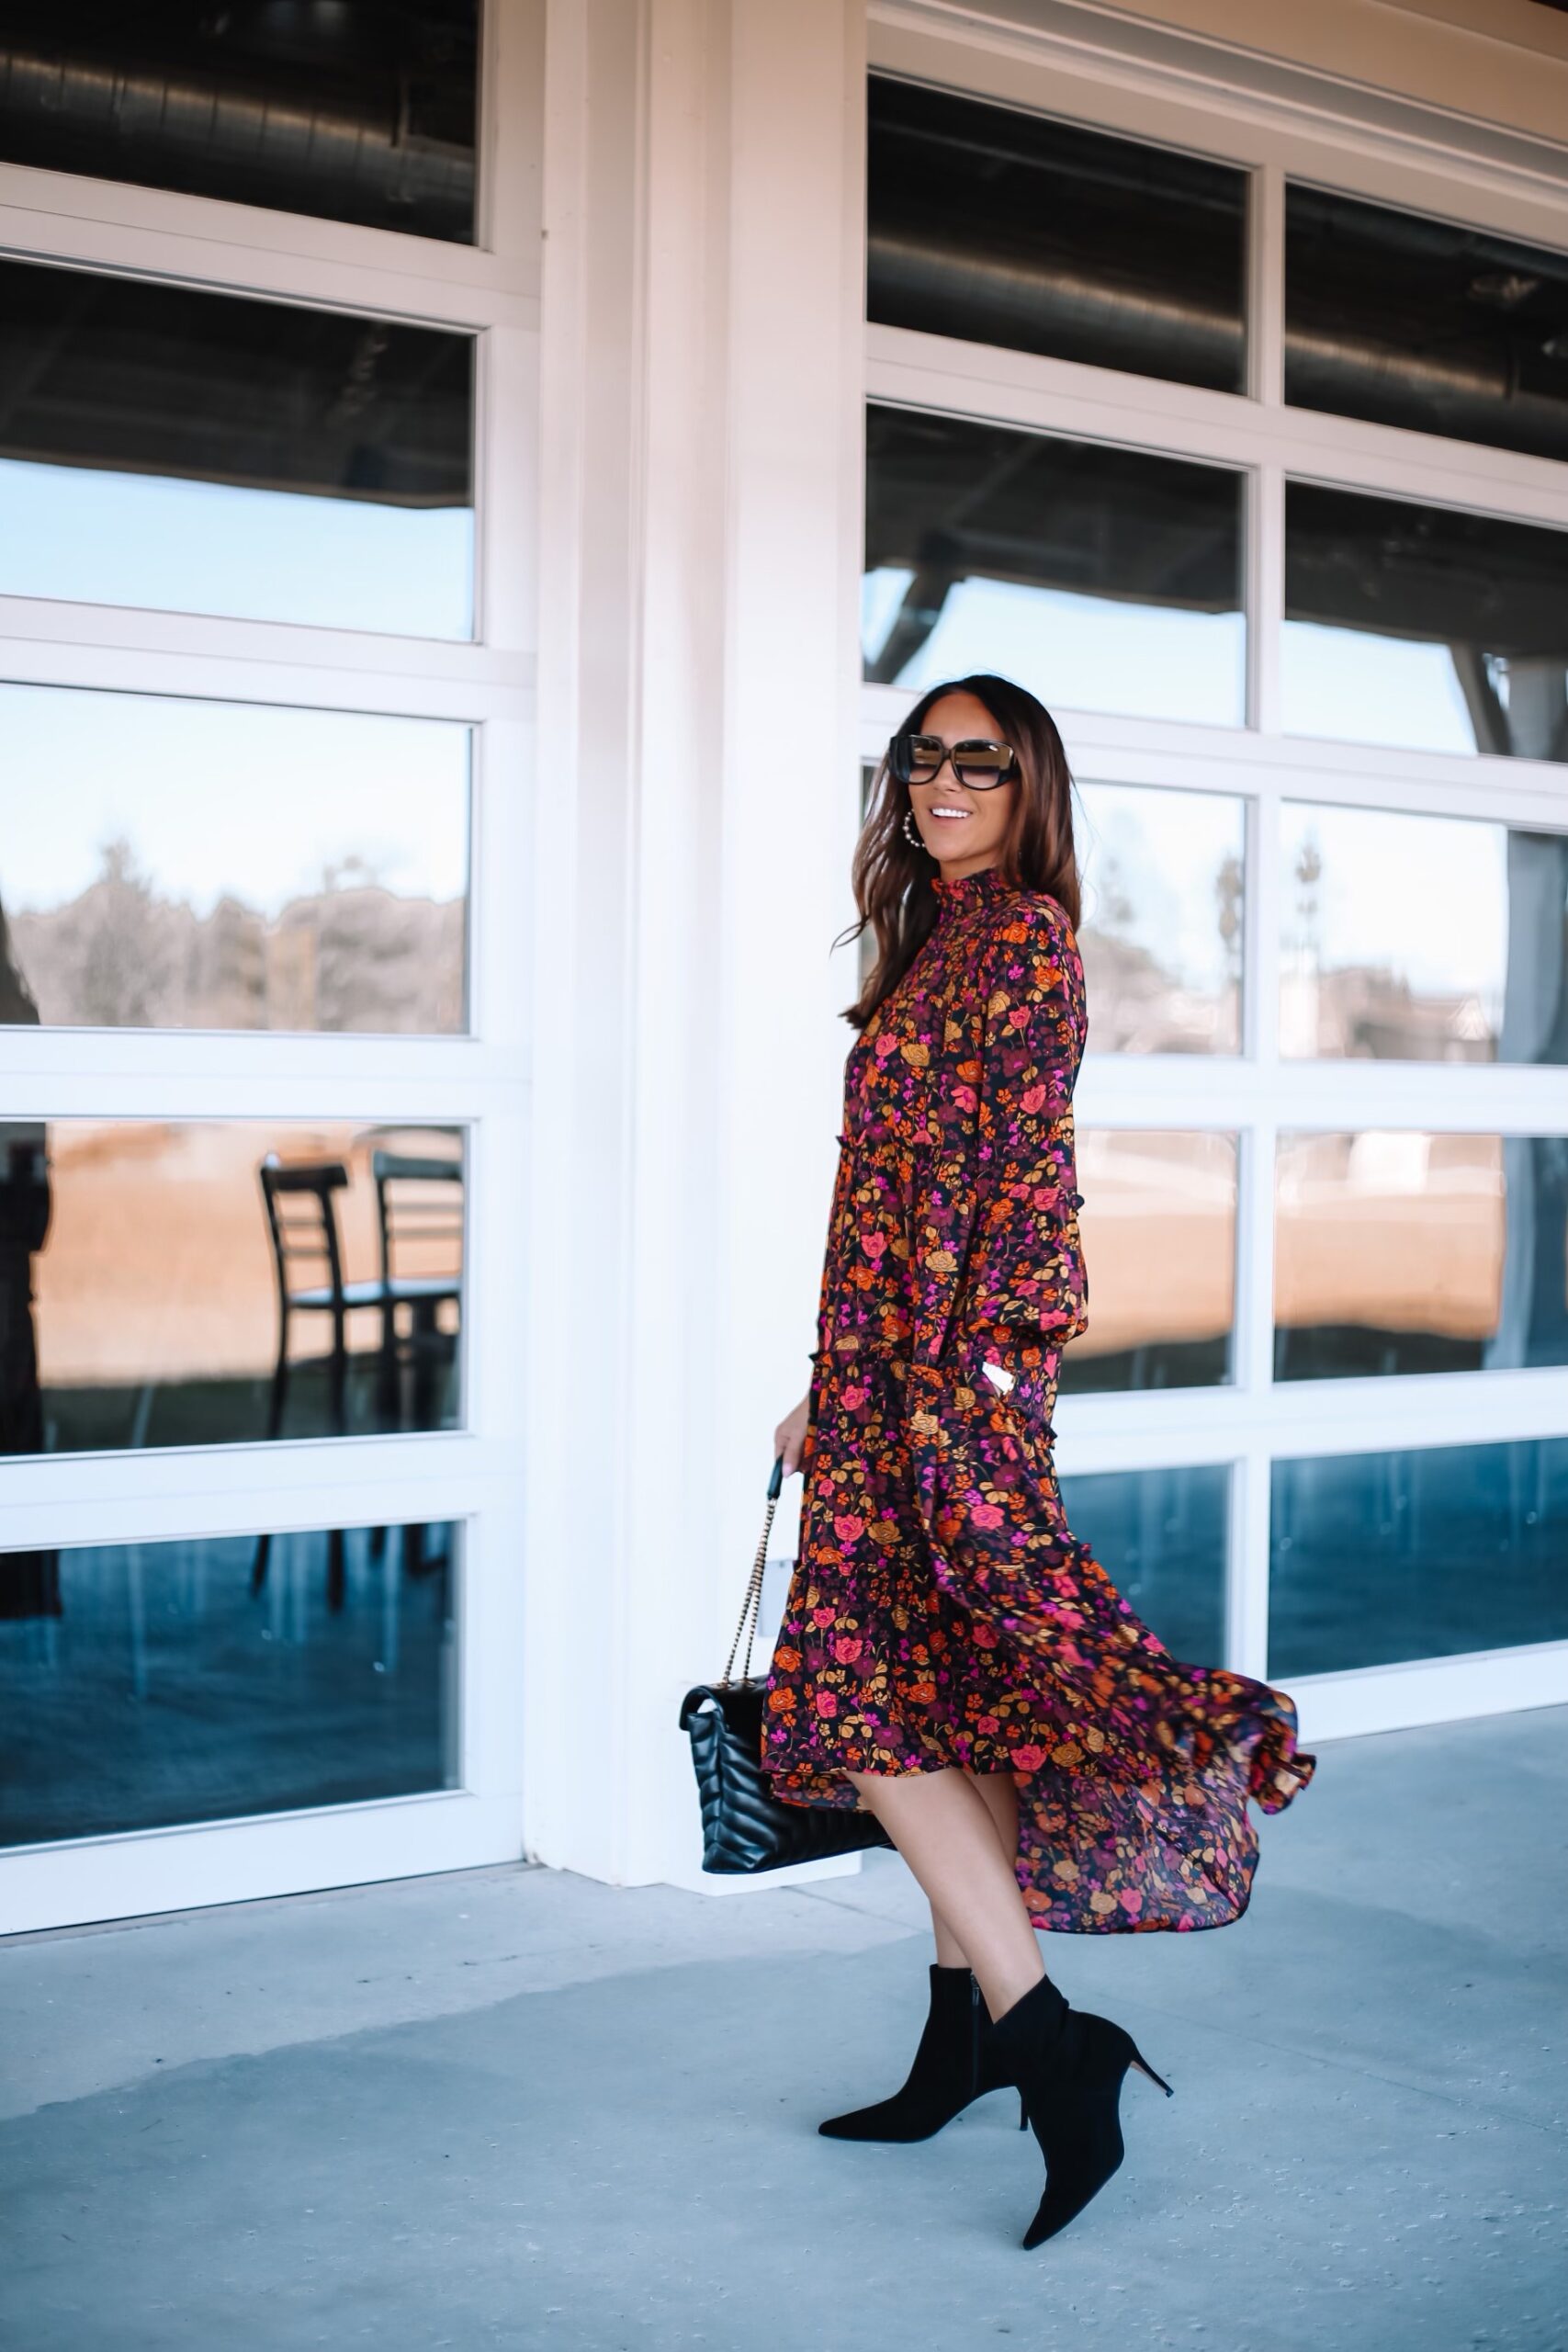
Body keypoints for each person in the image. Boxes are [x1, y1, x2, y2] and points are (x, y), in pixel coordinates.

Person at [761, 673, 1314, 2249]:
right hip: (886, 1381)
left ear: (1029, 788)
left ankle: (1051, 2046)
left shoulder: (1024, 945)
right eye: (922, 759)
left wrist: (982, 1367)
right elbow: (883, 1199)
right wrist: (833, 1381)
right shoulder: (935, 942)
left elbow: (1026, 1178)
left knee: (869, 1706)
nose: (941, 783)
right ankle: (954, 2047)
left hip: (951, 1391)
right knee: (950, 1700)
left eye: (976, 764)